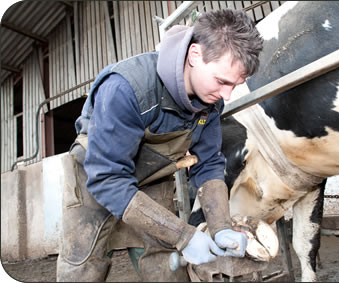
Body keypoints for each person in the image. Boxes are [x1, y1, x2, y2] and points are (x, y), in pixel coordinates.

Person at [56, 8, 263, 282]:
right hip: (96, 174)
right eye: (222, 81)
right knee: (82, 261)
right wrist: (183, 235)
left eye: (235, 85)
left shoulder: (211, 101)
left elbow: (209, 162)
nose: (226, 94)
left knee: (166, 263)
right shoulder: (126, 87)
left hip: (153, 175)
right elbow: (108, 179)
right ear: (194, 56)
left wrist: (221, 226)